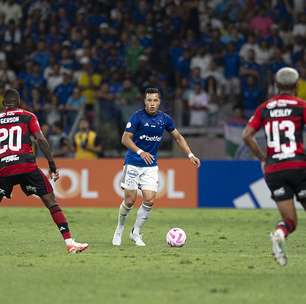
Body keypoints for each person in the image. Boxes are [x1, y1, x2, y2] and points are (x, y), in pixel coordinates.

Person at [0, 89, 88, 254]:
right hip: (26, 166)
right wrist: (52, 164)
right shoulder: (28, 116)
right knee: (51, 202)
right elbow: (40, 139)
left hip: (4, 168)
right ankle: (70, 244)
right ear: (19, 103)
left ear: (4, 104)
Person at [112, 87, 201, 247]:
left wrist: (190, 154)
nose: (152, 103)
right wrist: (140, 152)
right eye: (149, 100)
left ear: (159, 102)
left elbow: (178, 138)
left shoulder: (165, 119)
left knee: (150, 200)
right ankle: (119, 230)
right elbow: (125, 139)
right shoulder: (137, 117)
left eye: (155, 100)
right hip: (133, 163)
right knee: (130, 200)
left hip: (150, 166)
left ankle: (135, 233)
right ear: (144, 102)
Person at [242, 67, 306, 266]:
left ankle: (279, 234)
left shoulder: (265, 108)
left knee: (290, 222)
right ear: (296, 85)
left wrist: (263, 158)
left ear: (276, 86)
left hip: (274, 170)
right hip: (298, 167)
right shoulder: (301, 105)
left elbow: (246, 136)